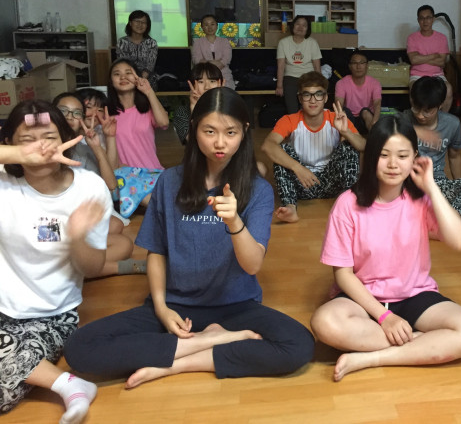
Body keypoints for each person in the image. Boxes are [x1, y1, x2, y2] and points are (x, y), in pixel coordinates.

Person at [64, 88, 315, 389]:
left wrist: (234, 222)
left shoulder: (257, 189)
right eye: (209, 131)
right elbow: (157, 252)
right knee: (80, 348)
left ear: (244, 131)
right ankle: (210, 342)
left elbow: (252, 265)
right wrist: (161, 308)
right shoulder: (169, 181)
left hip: (235, 306)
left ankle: (179, 362)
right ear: (194, 128)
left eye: (230, 132)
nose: (220, 142)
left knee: (299, 344)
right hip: (175, 305)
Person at [309, 116, 461, 382]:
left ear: (415, 157)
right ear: (371, 156)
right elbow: (343, 275)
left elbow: (458, 241)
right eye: (384, 155)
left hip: (414, 294)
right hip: (365, 298)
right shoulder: (347, 204)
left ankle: (372, 358)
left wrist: (432, 188)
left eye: (403, 155)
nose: (393, 164)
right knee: (324, 323)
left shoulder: (420, 199)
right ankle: (425, 343)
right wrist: (385, 317)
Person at [0, 100, 112, 423]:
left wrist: (76, 237)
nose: (41, 149)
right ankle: (69, 385)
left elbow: (92, 268)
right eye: (27, 141)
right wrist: (20, 155)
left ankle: (69, 386)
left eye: (50, 138)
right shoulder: (4, 182)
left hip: (52, 316)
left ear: (66, 137)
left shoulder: (89, 188)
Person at [52, 92, 144, 277]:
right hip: (52, 219)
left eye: (76, 113)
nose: (70, 117)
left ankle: (66, 264)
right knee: (118, 239)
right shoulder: (45, 147)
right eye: (63, 111)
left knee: (121, 237)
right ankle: (106, 267)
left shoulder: (83, 147)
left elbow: (112, 187)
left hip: (75, 219)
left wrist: (96, 147)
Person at [262, 71, 365, 224]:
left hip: (331, 182)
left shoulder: (335, 118)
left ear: (325, 98)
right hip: (303, 183)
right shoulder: (290, 120)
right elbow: (268, 145)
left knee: (349, 146)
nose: (313, 100)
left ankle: (348, 203)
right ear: (300, 98)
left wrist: (345, 132)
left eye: (318, 94)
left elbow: (363, 145)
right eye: (307, 95)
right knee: (281, 150)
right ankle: (290, 207)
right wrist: (298, 168)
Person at [401, 76, 461, 216]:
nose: (420, 115)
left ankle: (448, 217)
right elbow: (381, 133)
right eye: (416, 108)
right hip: (407, 180)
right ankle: (428, 212)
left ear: (439, 106)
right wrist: (418, 132)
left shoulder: (452, 124)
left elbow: (454, 157)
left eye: (427, 111)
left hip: (437, 182)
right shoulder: (402, 119)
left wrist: (457, 185)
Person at [107, 58, 170, 171]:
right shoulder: (107, 114)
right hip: (124, 176)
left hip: (152, 173)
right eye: (117, 74)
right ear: (111, 81)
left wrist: (149, 91)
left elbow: (164, 123)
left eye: (128, 73)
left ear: (137, 77)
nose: (123, 77)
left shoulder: (147, 109)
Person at [406, 5, 452, 112]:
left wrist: (421, 57)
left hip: (437, 75)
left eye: (428, 17)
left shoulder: (442, 38)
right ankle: (418, 119)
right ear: (418, 20)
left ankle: (441, 119)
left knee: (449, 89)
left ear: (433, 19)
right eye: (422, 18)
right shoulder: (412, 38)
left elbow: (441, 62)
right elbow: (414, 60)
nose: (425, 21)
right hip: (417, 75)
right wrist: (433, 55)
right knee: (414, 91)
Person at [276, 15, 322, 114]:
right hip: (290, 76)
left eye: (304, 25)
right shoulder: (283, 43)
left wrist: (319, 83)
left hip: (309, 76)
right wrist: (279, 85)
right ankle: (294, 120)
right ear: (293, 26)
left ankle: (307, 120)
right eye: (298, 24)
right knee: (290, 99)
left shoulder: (312, 43)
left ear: (307, 29)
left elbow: (317, 66)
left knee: (309, 100)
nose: (300, 27)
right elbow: (281, 65)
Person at [173, 62, 225, 144]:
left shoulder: (232, 108)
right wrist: (194, 108)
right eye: (201, 82)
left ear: (221, 84)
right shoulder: (182, 112)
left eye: (212, 81)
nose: (207, 87)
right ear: (192, 85)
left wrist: (218, 103)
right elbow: (193, 142)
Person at [334, 50, 382, 134]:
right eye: (354, 63)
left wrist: (375, 121)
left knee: (365, 112)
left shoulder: (375, 83)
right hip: (348, 119)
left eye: (362, 63)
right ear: (350, 66)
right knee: (344, 112)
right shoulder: (341, 83)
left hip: (366, 121)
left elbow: (377, 103)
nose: (358, 66)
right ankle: (347, 140)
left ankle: (374, 137)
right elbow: (339, 104)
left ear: (367, 65)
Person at [115, 10, 159, 89]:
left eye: (143, 22)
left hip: (147, 80)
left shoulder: (152, 43)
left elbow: (149, 67)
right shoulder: (122, 42)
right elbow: (123, 64)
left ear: (147, 26)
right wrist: (132, 80)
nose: (140, 25)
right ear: (130, 23)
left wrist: (140, 81)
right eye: (137, 21)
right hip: (127, 78)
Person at [191, 14, 235, 90]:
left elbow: (226, 59)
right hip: (204, 75)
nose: (210, 27)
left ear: (217, 26)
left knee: (226, 91)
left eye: (212, 24)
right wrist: (215, 63)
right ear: (202, 27)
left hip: (224, 73)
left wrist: (207, 62)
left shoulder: (224, 41)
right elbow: (197, 60)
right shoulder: (197, 42)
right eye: (206, 25)